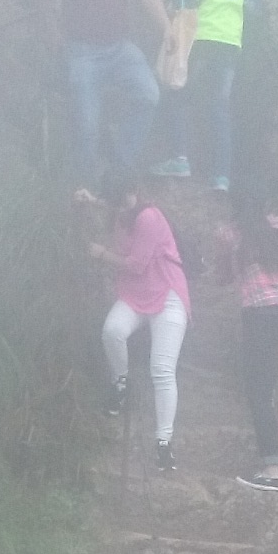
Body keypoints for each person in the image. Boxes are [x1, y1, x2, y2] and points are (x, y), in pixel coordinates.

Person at [33, 0, 177, 187]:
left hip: (121, 48)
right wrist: (48, 30)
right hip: (81, 51)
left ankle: (118, 165)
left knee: (149, 94)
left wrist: (166, 28)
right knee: (86, 125)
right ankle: (89, 191)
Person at [212, 172, 278, 492]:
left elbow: (224, 277)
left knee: (258, 392)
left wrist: (222, 250)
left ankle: (271, 470)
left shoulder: (229, 234)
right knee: (263, 354)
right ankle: (270, 370)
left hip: (264, 315)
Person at [79, 185, 189, 466]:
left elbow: (137, 265)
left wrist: (100, 253)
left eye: (126, 200)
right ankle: (121, 383)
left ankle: (164, 442)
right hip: (136, 294)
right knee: (112, 330)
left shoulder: (149, 216)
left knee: (162, 370)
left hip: (167, 294)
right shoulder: (121, 209)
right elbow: (111, 203)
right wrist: (90, 198)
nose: (124, 205)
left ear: (133, 193)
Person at [161, 0, 245, 192]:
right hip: (231, 43)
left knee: (179, 90)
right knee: (220, 107)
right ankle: (222, 177)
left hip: (204, 38)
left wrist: (176, 8)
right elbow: (251, 2)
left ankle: (180, 158)